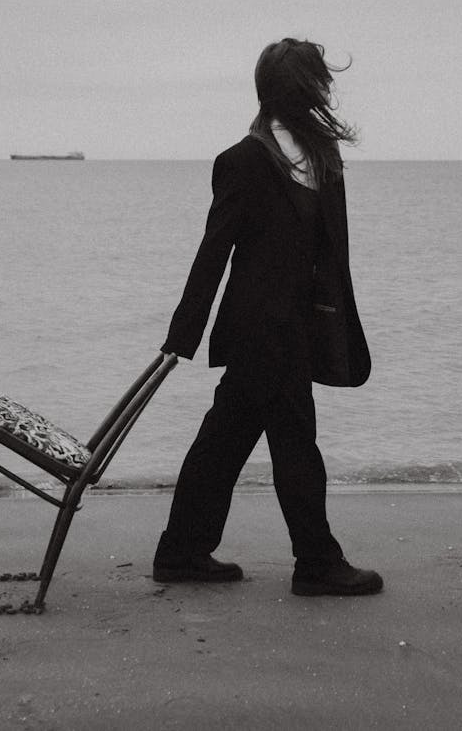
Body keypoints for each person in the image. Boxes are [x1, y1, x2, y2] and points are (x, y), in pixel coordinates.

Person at [153, 38, 382, 596]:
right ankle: (315, 561)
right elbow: (215, 249)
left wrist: (335, 325)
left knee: (227, 438)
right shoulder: (244, 161)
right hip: (259, 330)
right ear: (298, 89)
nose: (325, 89)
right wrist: (183, 334)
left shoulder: (323, 159)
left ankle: (182, 552)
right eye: (317, 81)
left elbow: (331, 257)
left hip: (298, 330)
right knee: (295, 438)